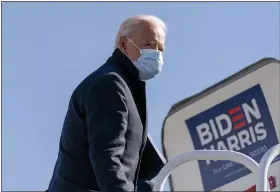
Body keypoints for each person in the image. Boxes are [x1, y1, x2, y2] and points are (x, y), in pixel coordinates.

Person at [47, 15, 167, 192]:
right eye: (149, 44)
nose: (156, 53)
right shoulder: (110, 84)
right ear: (125, 44)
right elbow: (107, 157)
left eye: (160, 48)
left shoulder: (125, 85)